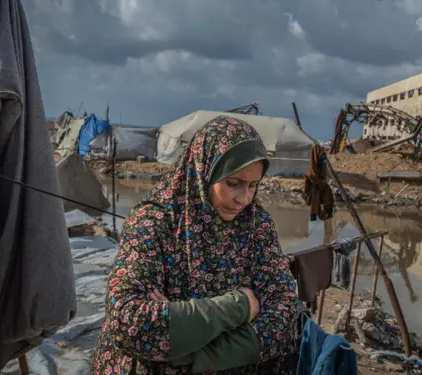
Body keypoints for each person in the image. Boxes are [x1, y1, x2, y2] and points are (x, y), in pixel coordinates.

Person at [89, 116, 300, 374]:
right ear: (203, 171)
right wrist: (240, 306)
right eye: (232, 183)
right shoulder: (154, 223)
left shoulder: (257, 225)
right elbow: (128, 322)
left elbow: (285, 315)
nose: (243, 199)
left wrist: (194, 350)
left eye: (253, 185)